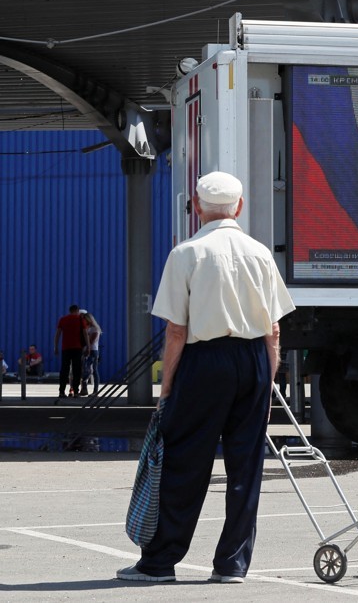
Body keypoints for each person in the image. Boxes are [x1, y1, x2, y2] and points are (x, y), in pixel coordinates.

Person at [116, 170, 295, 584]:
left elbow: (176, 331)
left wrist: (167, 389)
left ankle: (160, 563)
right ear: (240, 206)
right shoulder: (260, 254)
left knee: (184, 462)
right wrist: (266, 382)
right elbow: (274, 330)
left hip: (204, 361)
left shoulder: (186, 253)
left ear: (196, 207)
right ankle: (232, 564)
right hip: (251, 359)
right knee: (246, 465)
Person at [54, 305, 87, 398]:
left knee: (64, 370)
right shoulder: (80, 320)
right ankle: (76, 392)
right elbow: (85, 334)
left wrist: (56, 347)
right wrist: (88, 346)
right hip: (77, 348)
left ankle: (61, 391)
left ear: (69, 311)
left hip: (66, 348)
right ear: (77, 310)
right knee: (77, 370)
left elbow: (57, 334)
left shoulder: (63, 319)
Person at [81, 311, 102, 396]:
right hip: (86, 350)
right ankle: (84, 388)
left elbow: (91, 341)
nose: (84, 322)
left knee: (93, 370)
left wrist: (85, 337)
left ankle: (95, 391)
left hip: (93, 351)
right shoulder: (87, 328)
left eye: (85, 320)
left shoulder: (95, 329)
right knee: (85, 369)